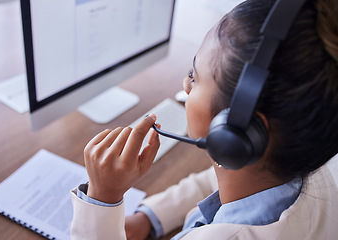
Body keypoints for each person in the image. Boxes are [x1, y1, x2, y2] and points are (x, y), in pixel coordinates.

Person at [70, 0, 338, 239]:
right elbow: (212, 181)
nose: (185, 84)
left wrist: (102, 200)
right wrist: (149, 217)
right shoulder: (310, 176)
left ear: (240, 128)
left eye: (195, 76)